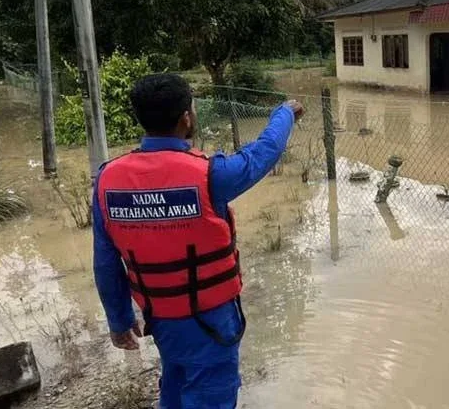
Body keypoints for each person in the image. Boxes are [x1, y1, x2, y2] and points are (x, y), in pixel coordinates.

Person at [92, 73, 303, 409]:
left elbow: (105, 263)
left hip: (160, 319)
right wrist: (285, 112)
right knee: (210, 394)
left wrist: (118, 321)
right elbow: (264, 152)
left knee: (174, 384)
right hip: (212, 321)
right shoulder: (210, 176)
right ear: (186, 117)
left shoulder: (107, 180)